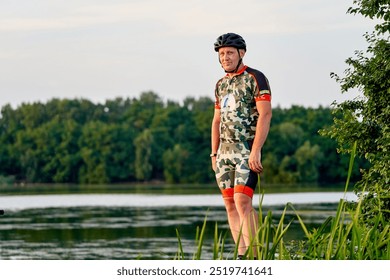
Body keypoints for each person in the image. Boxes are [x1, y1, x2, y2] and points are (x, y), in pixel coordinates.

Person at [210, 33, 272, 259]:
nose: (225, 57)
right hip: (224, 153)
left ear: (241, 53)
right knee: (230, 204)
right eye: (222, 54)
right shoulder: (220, 84)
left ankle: (256, 259)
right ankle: (242, 256)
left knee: (242, 200)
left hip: (246, 149)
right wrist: (213, 154)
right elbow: (216, 121)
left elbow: (265, 115)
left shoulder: (256, 78)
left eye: (229, 53)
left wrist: (256, 149)